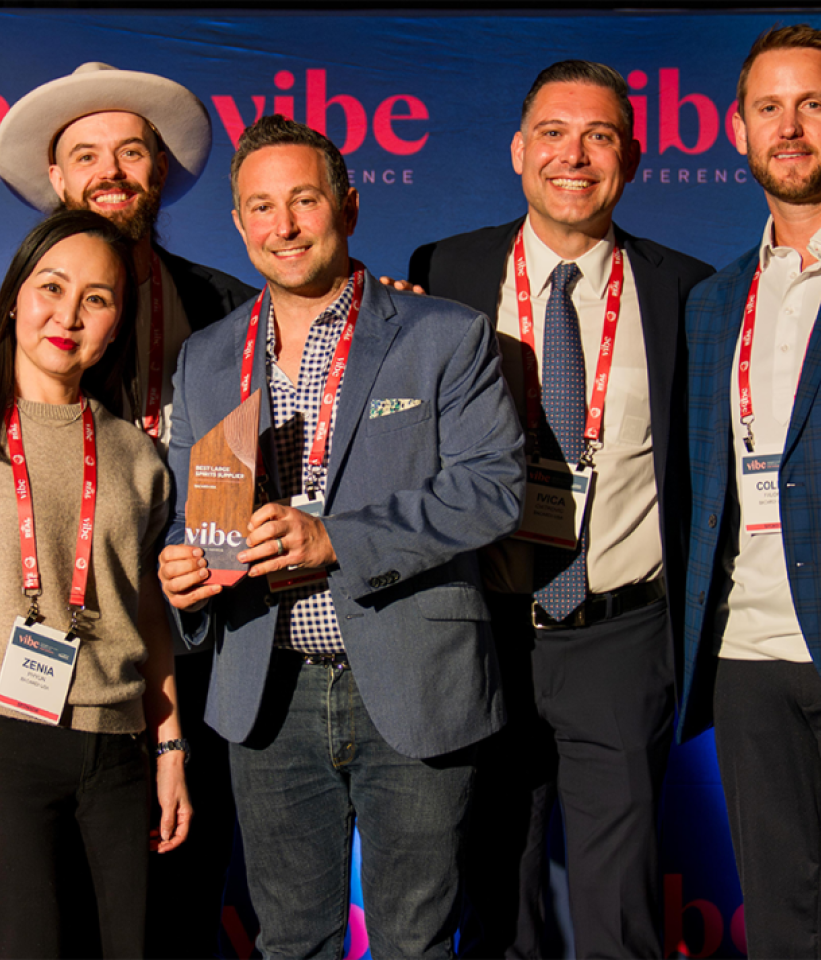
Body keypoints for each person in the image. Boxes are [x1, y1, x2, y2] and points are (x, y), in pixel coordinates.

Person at [158, 114, 524, 960]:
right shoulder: (210, 358)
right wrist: (183, 573)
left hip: (411, 681)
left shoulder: (442, 335)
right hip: (265, 690)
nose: (283, 226)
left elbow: (491, 488)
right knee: (290, 943)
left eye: (304, 201)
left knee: (415, 941)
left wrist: (337, 541)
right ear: (240, 222)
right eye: (260, 207)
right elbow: (192, 512)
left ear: (350, 207)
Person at [408, 61, 713, 960]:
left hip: (620, 634)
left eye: (600, 136)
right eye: (553, 133)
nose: (573, 156)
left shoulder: (685, 289)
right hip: (483, 629)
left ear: (634, 157)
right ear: (517, 150)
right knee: (496, 895)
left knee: (620, 912)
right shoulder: (446, 268)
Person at [0, 62, 253, 956]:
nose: (110, 171)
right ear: (58, 180)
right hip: (56, 649)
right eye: (87, 156)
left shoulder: (231, 308)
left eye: (131, 153)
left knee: (184, 899)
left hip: (205, 642)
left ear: (158, 174)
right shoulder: (6, 320)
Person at [0, 209, 190, 960]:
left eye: (97, 298)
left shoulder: (138, 455)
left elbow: (147, 613)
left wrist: (170, 750)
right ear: (16, 297)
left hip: (116, 753)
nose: (69, 315)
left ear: (119, 322)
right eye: (51, 287)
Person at [678, 25, 821, 959]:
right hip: (748, 660)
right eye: (769, 107)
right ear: (737, 130)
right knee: (785, 939)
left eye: (813, 104)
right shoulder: (716, 302)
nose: (789, 127)